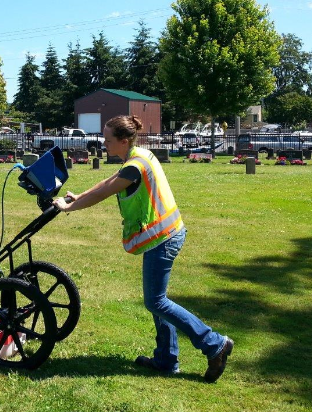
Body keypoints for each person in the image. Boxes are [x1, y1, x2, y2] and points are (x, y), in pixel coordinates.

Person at [53, 115, 233, 383]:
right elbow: (107, 181)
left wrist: (69, 207)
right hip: (166, 234)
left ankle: (214, 344)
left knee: (156, 301)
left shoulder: (135, 166)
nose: (104, 143)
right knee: (159, 302)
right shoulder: (138, 155)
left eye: (108, 139)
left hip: (164, 237)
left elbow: (105, 192)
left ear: (123, 141)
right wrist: (79, 196)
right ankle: (166, 359)